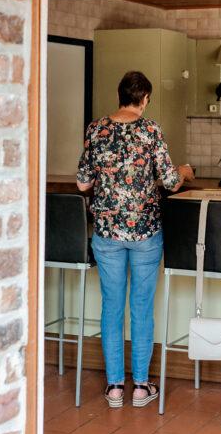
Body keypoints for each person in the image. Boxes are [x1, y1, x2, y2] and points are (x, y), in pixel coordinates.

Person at [76, 70, 194, 409]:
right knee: (141, 309)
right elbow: (171, 182)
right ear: (145, 99)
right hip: (145, 232)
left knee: (111, 307)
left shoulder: (97, 129)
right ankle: (141, 387)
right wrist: (185, 171)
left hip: (107, 232)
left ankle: (115, 388)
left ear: (119, 94)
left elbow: (84, 183)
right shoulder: (150, 129)